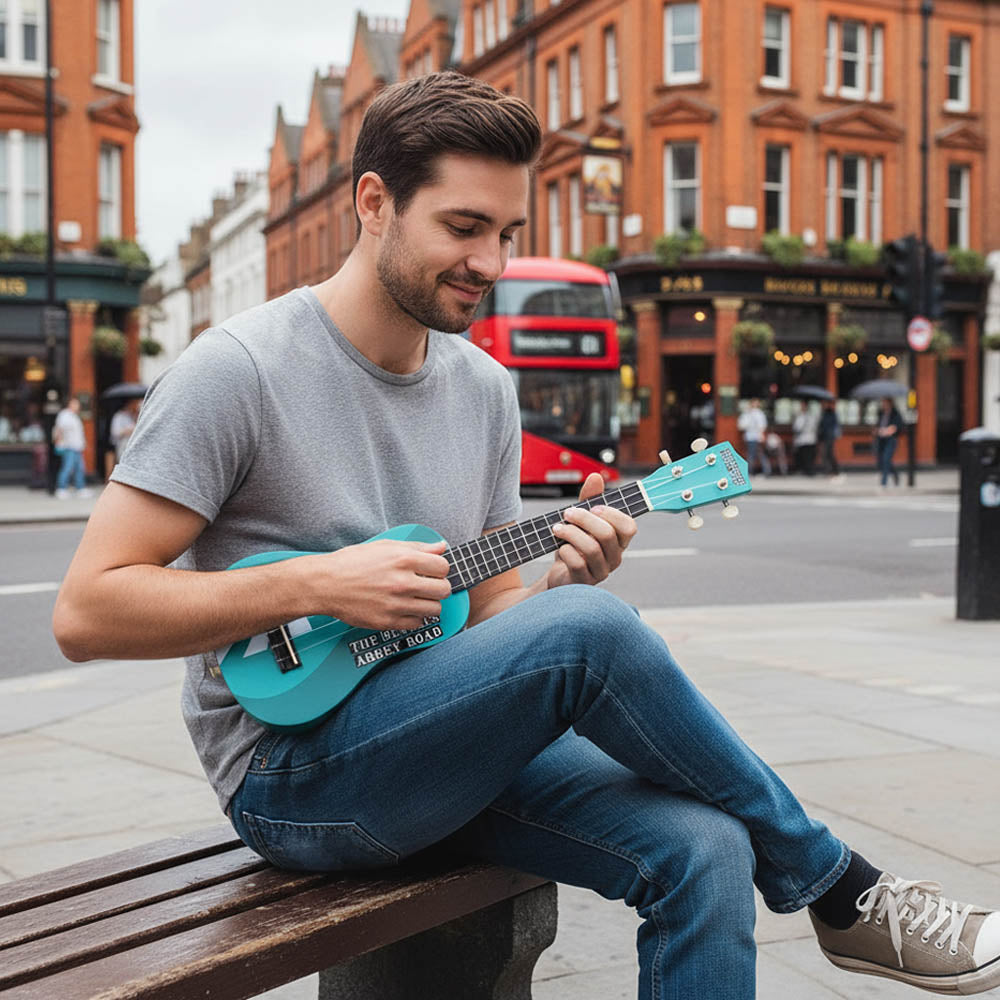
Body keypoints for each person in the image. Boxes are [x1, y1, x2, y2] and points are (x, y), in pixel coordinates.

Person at [52, 73, 1000, 999]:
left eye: (508, 233)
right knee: (593, 633)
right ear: (374, 203)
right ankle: (841, 890)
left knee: (706, 846)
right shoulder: (239, 371)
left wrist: (560, 592)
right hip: (291, 779)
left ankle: (825, 887)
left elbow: (488, 616)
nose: (492, 264)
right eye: (464, 227)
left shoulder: (482, 389)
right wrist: (318, 585)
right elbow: (87, 611)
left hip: (439, 742)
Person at [52, 396, 91, 499]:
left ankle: (80, 488)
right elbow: (60, 429)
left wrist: (84, 444)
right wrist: (59, 442)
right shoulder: (64, 415)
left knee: (79, 469)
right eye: (75, 404)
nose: (77, 406)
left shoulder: (75, 416)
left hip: (77, 447)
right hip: (69, 446)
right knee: (67, 468)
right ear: (70, 404)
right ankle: (61, 488)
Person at [737, 397, 771, 476]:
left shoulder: (759, 414)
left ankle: (764, 471)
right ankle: (751, 471)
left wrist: (762, 435)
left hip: (757, 437)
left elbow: (762, 426)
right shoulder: (747, 413)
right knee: (753, 454)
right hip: (750, 437)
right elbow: (741, 425)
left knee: (758, 454)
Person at [875, 397, 903, 487]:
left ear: (890, 404)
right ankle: (895, 474)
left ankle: (884, 482)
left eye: (886, 403)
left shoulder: (895, 414)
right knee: (882, 459)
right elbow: (878, 424)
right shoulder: (881, 413)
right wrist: (877, 430)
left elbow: (898, 426)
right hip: (881, 439)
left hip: (891, 439)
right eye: (883, 403)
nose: (884, 405)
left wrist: (890, 430)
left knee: (886, 459)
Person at [818, 399, 844, 480]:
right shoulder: (824, 413)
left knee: (827, 454)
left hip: (830, 436)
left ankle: (830, 471)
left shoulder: (832, 413)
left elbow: (833, 425)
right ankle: (832, 470)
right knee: (828, 454)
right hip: (824, 436)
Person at [792, 400, 819, 476]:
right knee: (808, 456)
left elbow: (797, 428)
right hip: (810, 439)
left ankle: (807, 470)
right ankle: (809, 470)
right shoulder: (811, 416)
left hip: (804, 439)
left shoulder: (801, 416)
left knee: (806, 456)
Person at [109, 399, 139, 464]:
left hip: (133, 446)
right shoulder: (119, 416)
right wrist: (127, 431)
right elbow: (115, 432)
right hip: (122, 445)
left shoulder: (134, 416)